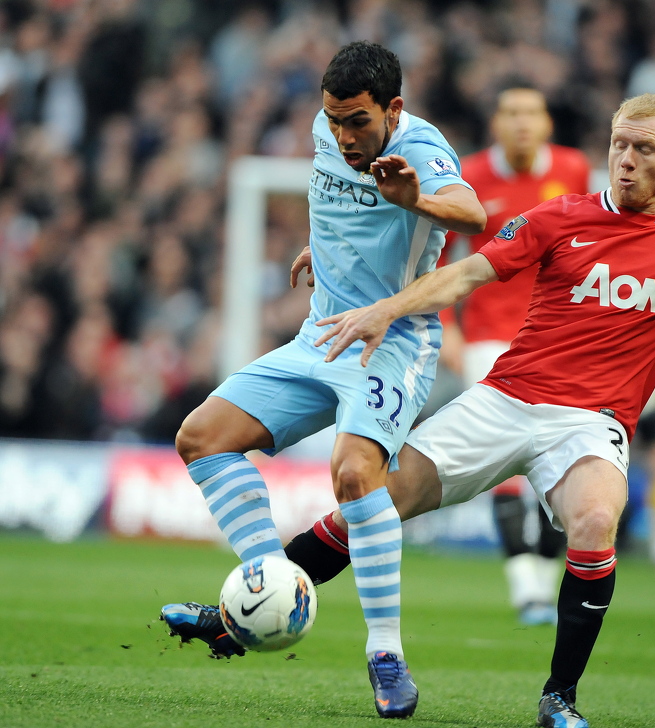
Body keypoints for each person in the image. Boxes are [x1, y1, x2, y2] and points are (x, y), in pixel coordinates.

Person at [173, 93, 655, 728]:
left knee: (595, 519)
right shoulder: (561, 217)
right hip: (504, 401)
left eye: (643, 149)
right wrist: (387, 307)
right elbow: (466, 273)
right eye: (619, 144)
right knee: (374, 501)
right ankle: (245, 614)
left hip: (590, 423)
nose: (625, 159)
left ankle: (559, 698)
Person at [158, 41, 485, 721]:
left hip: (392, 342)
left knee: (355, 474)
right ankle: (268, 583)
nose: (343, 136)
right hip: (320, 333)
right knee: (201, 437)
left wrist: (415, 198)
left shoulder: (421, 147)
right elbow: (342, 205)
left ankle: (386, 654)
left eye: (358, 122)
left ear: (393, 109)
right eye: (333, 120)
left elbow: (473, 213)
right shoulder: (326, 128)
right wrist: (327, 249)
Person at [443, 82, 592, 625]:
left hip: (557, 336)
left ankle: (542, 584)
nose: (522, 122)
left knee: (558, 460)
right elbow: (441, 254)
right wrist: (447, 327)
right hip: (488, 338)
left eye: (532, 113)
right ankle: (525, 589)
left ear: (548, 123)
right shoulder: (470, 175)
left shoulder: (573, 169)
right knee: (504, 457)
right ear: (496, 124)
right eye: (511, 112)